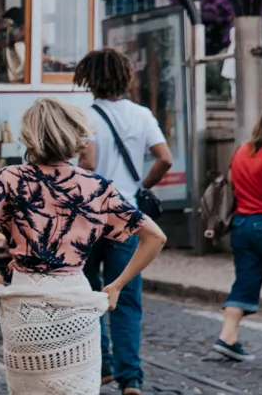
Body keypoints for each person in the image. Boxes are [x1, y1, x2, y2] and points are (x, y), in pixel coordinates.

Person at [0, 97, 167, 395]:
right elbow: (155, 237)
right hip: (76, 308)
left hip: (23, 311)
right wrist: (117, 284)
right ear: (74, 135)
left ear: (28, 136)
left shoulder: (10, 178)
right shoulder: (96, 186)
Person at [74, 48, 173, 395]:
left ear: (89, 79)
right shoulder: (142, 115)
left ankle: (102, 365)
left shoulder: (84, 116)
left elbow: (86, 165)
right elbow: (165, 159)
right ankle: (131, 378)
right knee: (126, 297)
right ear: (125, 77)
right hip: (127, 218)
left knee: (87, 294)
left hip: (88, 217)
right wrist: (139, 187)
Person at [214, 103, 262, 361]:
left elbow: (232, 184)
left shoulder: (242, 151)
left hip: (242, 227)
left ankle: (227, 337)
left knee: (244, 284)